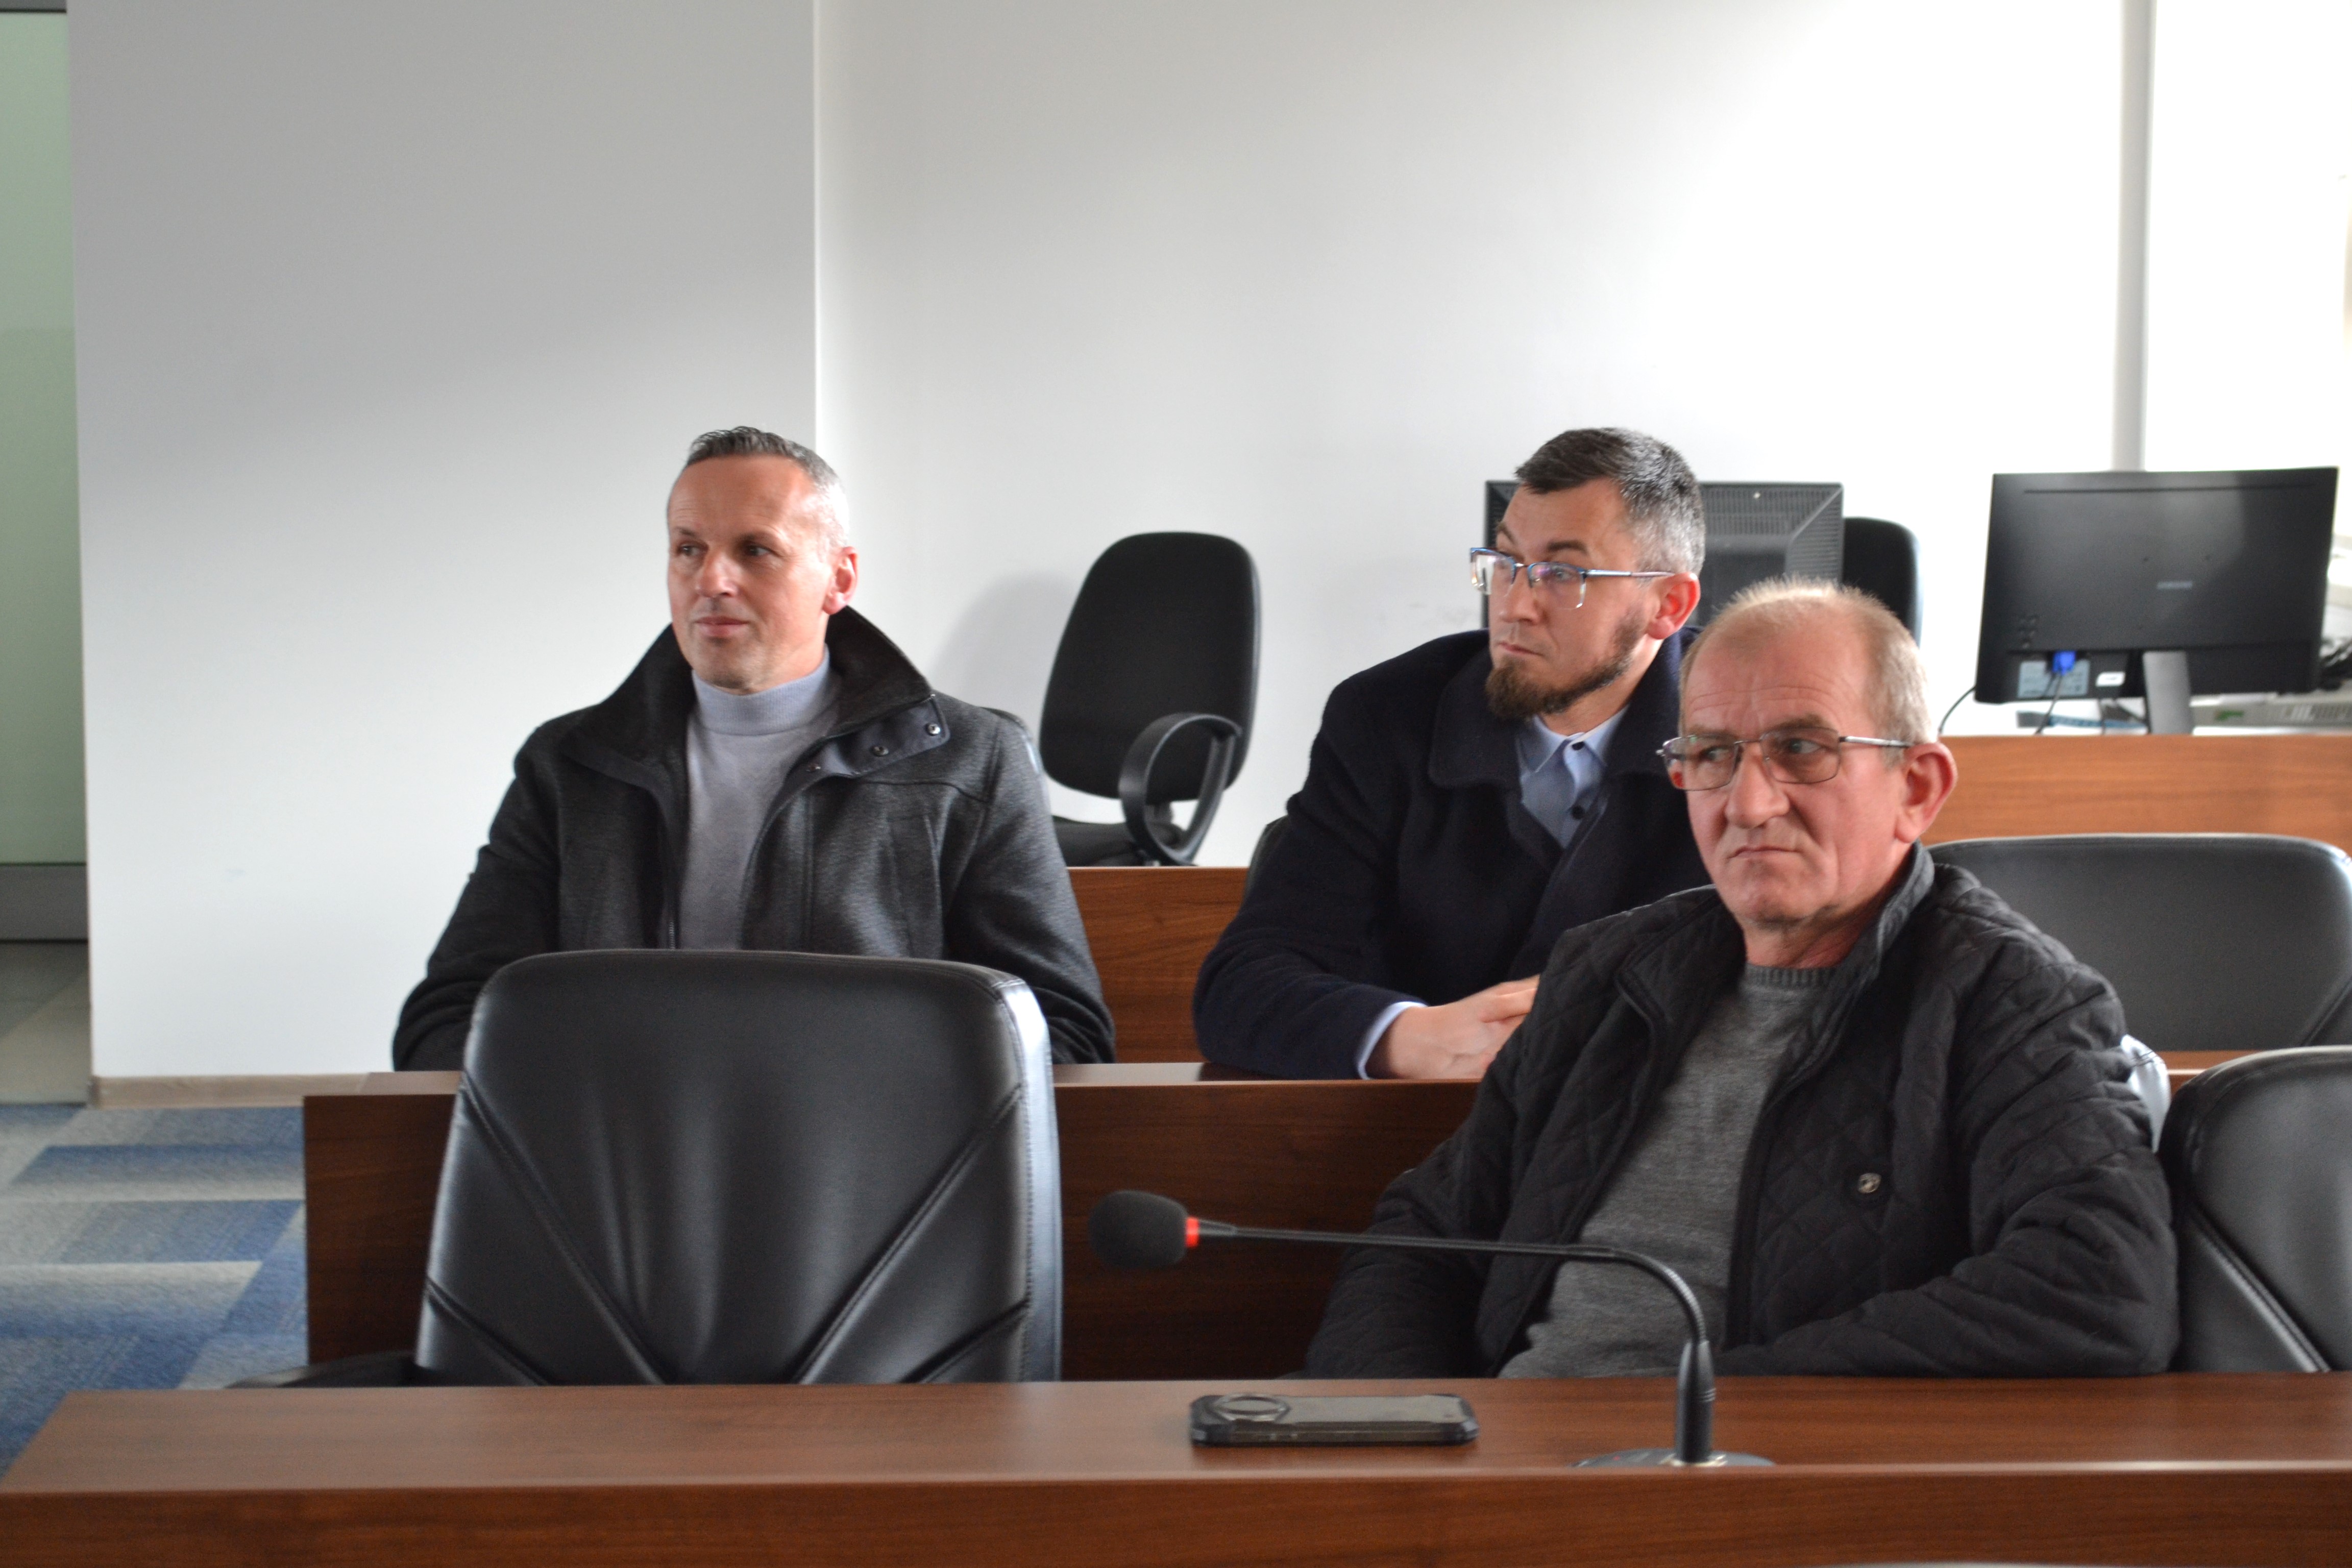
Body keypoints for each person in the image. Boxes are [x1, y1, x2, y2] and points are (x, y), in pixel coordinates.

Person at [1304, 579, 2177, 1377]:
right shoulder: (1605, 971)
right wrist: (1391, 1433)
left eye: (1801, 748)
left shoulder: (2012, 1000)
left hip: (1748, 1474)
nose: (1748, 804)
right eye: (1713, 754)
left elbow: (2100, 1289)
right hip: (1501, 1462)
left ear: (1916, 787)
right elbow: (1426, 1233)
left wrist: (1708, 1410)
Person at [394, 427, 1115, 1068]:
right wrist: (589, 1101)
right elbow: (445, 1020)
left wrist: (876, 1100)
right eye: (689, 549)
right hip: (621, 1161)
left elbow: (1066, 1033)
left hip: (871, 1165)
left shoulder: (971, 761)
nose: (711, 580)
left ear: (839, 578)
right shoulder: (569, 765)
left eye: (756, 550)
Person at [1194, 427, 1710, 1080]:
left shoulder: (1745, 735)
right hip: (1418, 1126)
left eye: (1562, 574)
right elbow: (1242, 988)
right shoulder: (1386, 716)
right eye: (1505, 563)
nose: (1514, 606)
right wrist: (1415, 1038)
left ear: (1669, 605)